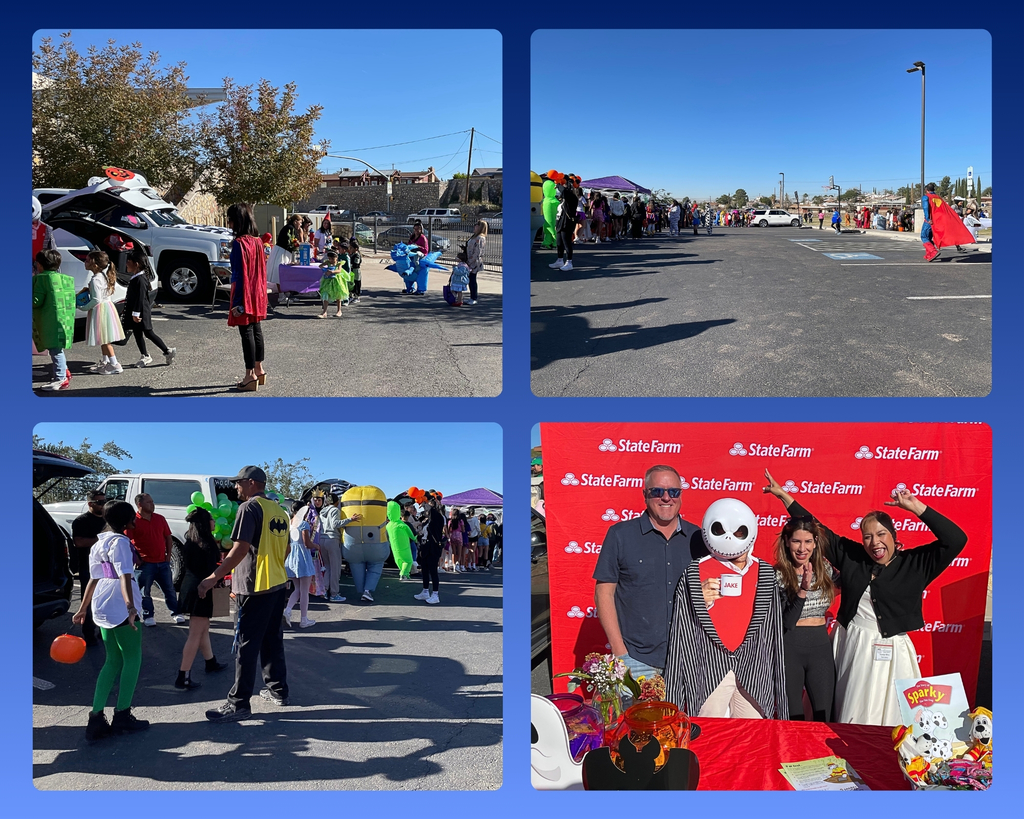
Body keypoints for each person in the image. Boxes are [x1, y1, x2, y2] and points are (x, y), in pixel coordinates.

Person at [763, 469, 968, 725]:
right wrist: (784, 496)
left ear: (894, 537)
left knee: (891, 717)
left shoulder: (916, 564)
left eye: (881, 534)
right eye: (868, 536)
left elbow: (957, 539)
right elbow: (818, 530)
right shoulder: (853, 557)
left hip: (893, 652)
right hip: (852, 644)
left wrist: (918, 508)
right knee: (847, 711)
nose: (874, 542)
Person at [664, 498, 788, 719]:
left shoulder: (766, 573)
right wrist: (699, 601)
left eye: (740, 532)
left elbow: (773, 631)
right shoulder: (694, 572)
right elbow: (680, 630)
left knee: (752, 736)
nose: (731, 537)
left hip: (753, 668)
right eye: (721, 530)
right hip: (708, 668)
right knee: (706, 731)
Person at [592, 465, 703, 683]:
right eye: (657, 491)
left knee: (686, 718)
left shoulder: (698, 538)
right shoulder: (620, 535)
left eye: (673, 492)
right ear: (645, 495)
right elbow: (603, 594)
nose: (666, 498)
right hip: (637, 659)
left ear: (680, 495)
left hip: (690, 659)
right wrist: (620, 653)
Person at [202, 466, 292, 721]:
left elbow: (239, 550)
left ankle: (239, 703)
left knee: (246, 644)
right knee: (272, 639)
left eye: (238, 483)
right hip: (277, 583)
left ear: (252, 483)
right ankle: (278, 691)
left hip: (253, 586)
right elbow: (285, 550)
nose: (235, 487)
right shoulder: (280, 511)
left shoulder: (248, 509)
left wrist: (213, 577)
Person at [72, 500, 149, 741]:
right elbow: (125, 575)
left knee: (112, 660)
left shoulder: (98, 543)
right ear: (128, 521)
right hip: (119, 603)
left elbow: (93, 579)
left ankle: (95, 718)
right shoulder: (121, 543)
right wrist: (131, 607)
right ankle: (122, 714)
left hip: (102, 603)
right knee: (132, 658)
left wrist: (82, 608)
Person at [773, 515, 837, 721]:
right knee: (793, 719)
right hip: (790, 649)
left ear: (816, 542)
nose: (802, 548)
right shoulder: (778, 575)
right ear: (786, 541)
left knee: (824, 718)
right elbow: (787, 623)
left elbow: (856, 579)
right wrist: (802, 591)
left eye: (808, 541)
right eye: (796, 541)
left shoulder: (826, 570)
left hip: (820, 648)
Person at [175, 507, 229, 690]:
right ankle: (183, 676)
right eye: (212, 519)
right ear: (205, 524)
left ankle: (210, 662)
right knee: (195, 634)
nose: (214, 522)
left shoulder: (190, 542)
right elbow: (210, 570)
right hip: (201, 590)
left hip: (192, 588)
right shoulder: (206, 544)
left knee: (203, 628)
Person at [226, 203, 268, 392]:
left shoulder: (239, 243)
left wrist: (237, 303)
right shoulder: (258, 241)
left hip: (244, 292)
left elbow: (238, 274)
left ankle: (249, 375)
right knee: (256, 329)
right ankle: (259, 370)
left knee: (246, 332)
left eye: (231, 219)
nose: (229, 223)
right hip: (258, 291)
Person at [114, 247, 175, 369]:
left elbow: (140, 298)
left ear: (136, 264)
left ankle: (167, 351)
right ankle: (145, 355)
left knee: (148, 332)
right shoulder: (136, 277)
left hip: (141, 312)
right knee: (137, 333)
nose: (126, 264)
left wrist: (136, 313)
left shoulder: (140, 280)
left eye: (128, 262)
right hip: (136, 311)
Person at [132, 493, 185, 627]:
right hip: (145, 564)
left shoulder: (160, 519)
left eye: (152, 501)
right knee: (145, 592)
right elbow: (127, 542)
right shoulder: (133, 521)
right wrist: (136, 558)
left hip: (162, 562)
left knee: (169, 589)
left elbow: (168, 537)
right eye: (149, 502)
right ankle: (148, 616)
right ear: (140, 505)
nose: (152, 504)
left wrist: (167, 556)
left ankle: (176, 612)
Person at [32, 248, 75, 391]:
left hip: (48, 322)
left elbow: (36, 301)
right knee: (58, 348)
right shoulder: (63, 278)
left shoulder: (42, 279)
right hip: (63, 320)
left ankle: (60, 378)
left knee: (55, 350)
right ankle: (65, 373)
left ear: (40, 265)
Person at [71, 489, 108, 646]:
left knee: (105, 601)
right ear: (90, 504)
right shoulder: (81, 521)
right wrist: (102, 540)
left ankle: (103, 631)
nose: (103, 505)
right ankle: (88, 634)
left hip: (107, 567)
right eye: (100, 502)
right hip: (89, 568)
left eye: (105, 501)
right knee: (89, 602)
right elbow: (79, 542)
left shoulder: (107, 520)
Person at [80, 251, 126, 375]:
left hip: (101, 310)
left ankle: (115, 364)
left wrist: (83, 307)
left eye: (87, 260)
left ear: (94, 265)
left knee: (105, 340)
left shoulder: (96, 279)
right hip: (107, 308)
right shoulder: (102, 276)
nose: (85, 262)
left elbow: (96, 299)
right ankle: (105, 362)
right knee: (103, 337)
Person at [284, 500, 319, 628]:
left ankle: (287, 610)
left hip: (291, 556)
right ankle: (304, 619)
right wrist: (316, 545)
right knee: (304, 591)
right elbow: (307, 543)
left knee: (297, 589)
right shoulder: (303, 524)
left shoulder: (290, 523)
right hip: (302, 557)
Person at [414, 493, 445, 604]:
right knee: (425, 570)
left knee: (433, 571)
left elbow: (432, 511)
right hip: (425, 547)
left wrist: (425, 501)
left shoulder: (439, 518)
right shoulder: (427, 520)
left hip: (434, 547)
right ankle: (425, 591)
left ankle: (435, 594)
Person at [318, 492, 348, 603]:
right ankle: (334, 594)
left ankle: (324, 590)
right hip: (332, 539)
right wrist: (349, 520)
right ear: (337, 501)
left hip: (322, 539)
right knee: (335, 569)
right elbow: (336, 524)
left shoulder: (322, 511)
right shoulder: (335, 510)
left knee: (327, 567)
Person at [549, 177, 579, 272]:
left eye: (565, 184)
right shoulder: (563, 199)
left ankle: (569, 262)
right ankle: (559, 260)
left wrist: (558, 185)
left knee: (567, 243)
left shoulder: (572, 197)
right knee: (559, 243)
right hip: (560, 223)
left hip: (567, 223)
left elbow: (565, 192)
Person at [267, 214, 301, 292]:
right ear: (295, 222)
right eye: (300, 222)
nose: (301, 224)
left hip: (286, 253)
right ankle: (281, 294)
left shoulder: (293, 229)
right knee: (279, 274)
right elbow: (290, 243)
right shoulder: (289, 228)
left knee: (286, 274)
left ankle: (287, 293)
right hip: (281, 252)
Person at [317, 248, 348, 318]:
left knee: (338, 295)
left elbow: (339, 270)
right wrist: (324, 268)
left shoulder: (339, 263)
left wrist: (333, 272)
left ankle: (339, 311)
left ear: (336, 258)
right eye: (329, 258)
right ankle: (324, 312)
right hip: (328, 281)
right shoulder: (328, 262)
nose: (331, 260)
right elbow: (320, 266)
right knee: (326, 294)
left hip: (336, 281)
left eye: (332, 259)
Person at [466, 220, 488, 305]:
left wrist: (470, 261)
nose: (475, 226)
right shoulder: (475, 236)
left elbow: (477, 252)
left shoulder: (480, 238)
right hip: (469, 260)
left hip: (474, 262)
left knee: (472, 279)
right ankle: (472, 296)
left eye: (477, 225)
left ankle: (474, 297)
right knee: (470, 279)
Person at [347, 237, 363, 304]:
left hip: (356, 272)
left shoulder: (357, 255)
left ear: (355, 249)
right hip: (352, 271)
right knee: (351, 284)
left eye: (351, 248)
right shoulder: (351, 254)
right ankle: (351, 296)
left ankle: (357, 296)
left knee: (357, 284)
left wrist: (350, 265)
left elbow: (356, 263)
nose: (350, 249)